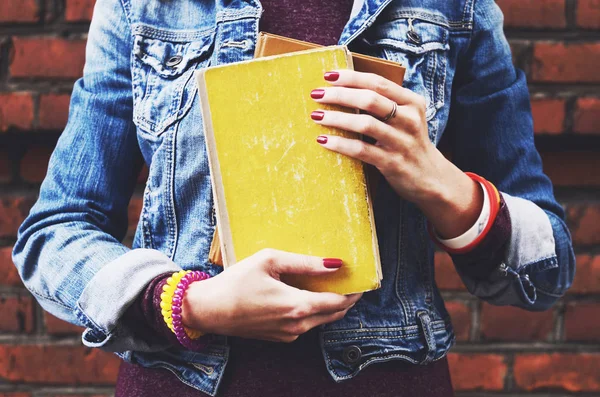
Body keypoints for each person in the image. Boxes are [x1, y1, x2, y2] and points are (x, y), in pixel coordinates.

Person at [12, 0, 575, 396]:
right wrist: (191, 304)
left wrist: (441, 183)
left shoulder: (454, 6)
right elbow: (55, 232)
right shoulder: (147, 6)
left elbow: (546, 269)